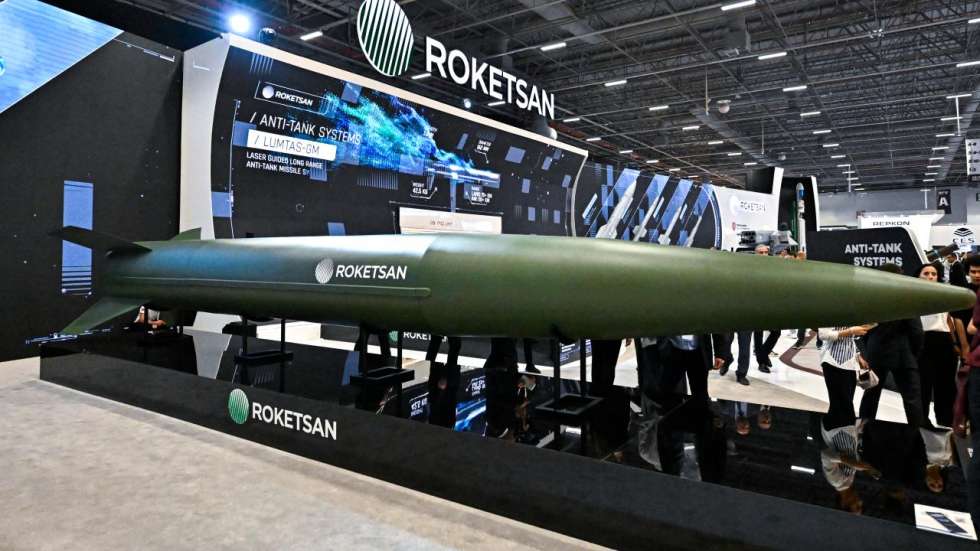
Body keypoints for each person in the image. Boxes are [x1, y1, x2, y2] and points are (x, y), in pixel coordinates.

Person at [859, 263, 951, 493]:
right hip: (904, 355)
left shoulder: (871, 297)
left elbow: (863, 328)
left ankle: (862, 431)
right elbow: (916, 331)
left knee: (871, 395)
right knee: (912, 399)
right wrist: (912, 353)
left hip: (877, 353)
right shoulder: (906, 296)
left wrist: (868, 351)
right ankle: (915, 435)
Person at [916, 262, 968, 429]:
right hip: (924, 339)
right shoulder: (913, 294)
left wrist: (956, 343)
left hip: (944, 339)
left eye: (934, 274)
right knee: (924, 382)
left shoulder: (943, 292)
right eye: (926, 273)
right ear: (918, 276)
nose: (930, 277)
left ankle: (946, 420)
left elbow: (949, 319)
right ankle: (922, 419)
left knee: (946, 383)